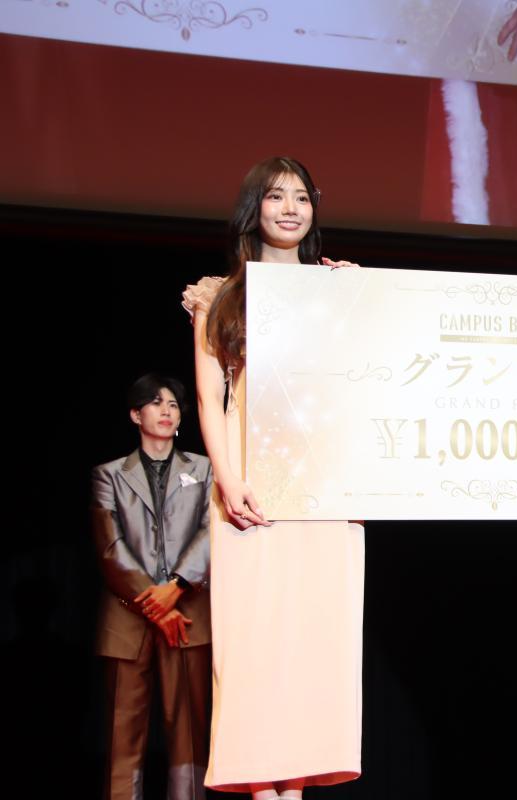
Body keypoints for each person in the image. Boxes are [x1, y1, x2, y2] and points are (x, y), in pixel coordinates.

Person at [183, 156, 365, 799]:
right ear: (252, 209)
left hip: (322, 482)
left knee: (315, 638)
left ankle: (296, 788)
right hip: (249, 481)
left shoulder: (336, 288)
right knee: (257, 639)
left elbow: (367, 382)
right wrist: (227, 479)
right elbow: (209, 398)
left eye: (302, 197)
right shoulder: (220, 296)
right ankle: (264, 790)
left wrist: (361, 298)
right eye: (276, 196)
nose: (291, 208)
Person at [90, 373, 213, 800]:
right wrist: (156, 603)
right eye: (156, 403)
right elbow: (110, 548)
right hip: (127, 620)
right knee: (122, 737)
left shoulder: (204, 468)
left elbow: (211, 531)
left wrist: (176, 586)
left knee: (190, 739)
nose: (166, 410)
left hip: (188, 615)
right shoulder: (108, 474)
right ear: (135, 414)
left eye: (173, 404)